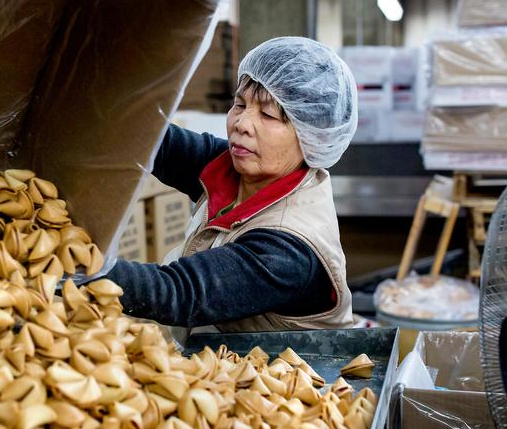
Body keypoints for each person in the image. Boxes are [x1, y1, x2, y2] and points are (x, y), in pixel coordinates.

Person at [107, 36, 359, 332]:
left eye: (267, 114)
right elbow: (156, 144)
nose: (241, 123)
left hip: (286, 373)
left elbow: (180, 292)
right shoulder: (238, 168)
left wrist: (79, 269)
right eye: (239, 104)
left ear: (310, 135)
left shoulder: (288, 249)